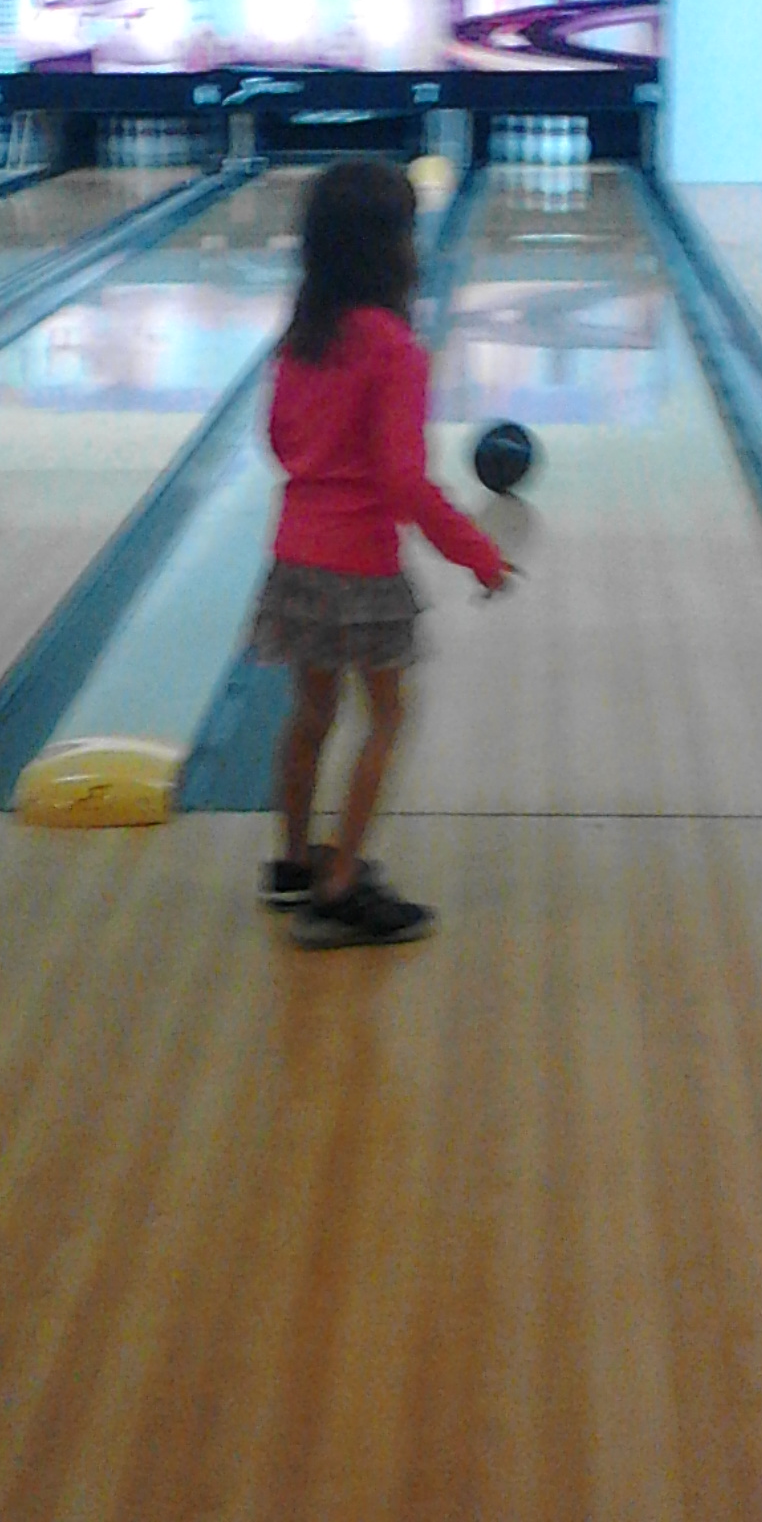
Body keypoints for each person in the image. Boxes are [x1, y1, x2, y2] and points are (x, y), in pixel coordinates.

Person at [251, 158, 513, 949]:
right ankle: (340, 889)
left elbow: (277, 440)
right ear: (395, 247)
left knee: (311, 714)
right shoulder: (395, 348)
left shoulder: (301, 339)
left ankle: (293, 863)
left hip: (293, 557)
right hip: (359, 568)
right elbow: (404, 482)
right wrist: (479, 553)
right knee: (389, 717)